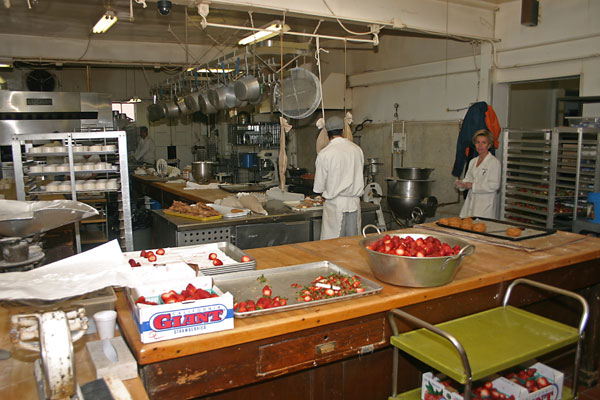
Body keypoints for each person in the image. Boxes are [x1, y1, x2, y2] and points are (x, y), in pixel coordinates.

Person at [313, 116, 365, 240]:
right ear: (343, 131)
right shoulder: (357, 150)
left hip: (334, 205)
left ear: (327, 133)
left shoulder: (324, 154)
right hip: (354, 203)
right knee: (353, 244)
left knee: (333, 247)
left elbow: (319, 187)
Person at [455, 129, 501, 218]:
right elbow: (468, 179)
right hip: (470, 204)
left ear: (489, 145)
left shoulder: (494, 162)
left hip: (485, 208)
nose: (480, 146)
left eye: (483, 143)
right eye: (477, 142)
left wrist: (473, 186)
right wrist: (462, 184)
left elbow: (494, 185)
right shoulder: (473, 161)